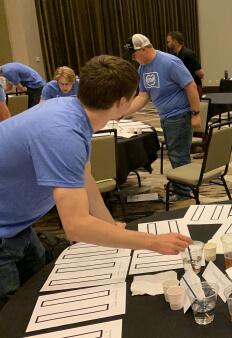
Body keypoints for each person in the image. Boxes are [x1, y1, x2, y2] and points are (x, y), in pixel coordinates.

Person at [0, 55, 193, 309]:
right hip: (5, 233)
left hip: (18, 226)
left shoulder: (72, 112)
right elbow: (76, 227)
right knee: (12, 315)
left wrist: (109, 224)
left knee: (36, 298)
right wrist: (152, 242)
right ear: (121, 103)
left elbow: (85, 177)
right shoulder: (64, 133)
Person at [122, 34, 201, 202]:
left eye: (134, 55)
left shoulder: (169, 63)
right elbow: (143, 96)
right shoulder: (143, 68)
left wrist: (195, 113)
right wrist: (125, 112)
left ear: (142, 49)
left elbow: (191, 86)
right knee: (175, 153)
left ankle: (183, 191)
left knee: (178, 154)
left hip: (179, 115)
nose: (133, 59)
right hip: (165, 116)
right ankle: (182, 185)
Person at [166, 31, 204, 98]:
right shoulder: (178, 55)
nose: (167, 45)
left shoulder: (187, 54)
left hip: (192, 89)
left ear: (175, 41)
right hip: (184, 89)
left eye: (169, 42)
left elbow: (200, 73)